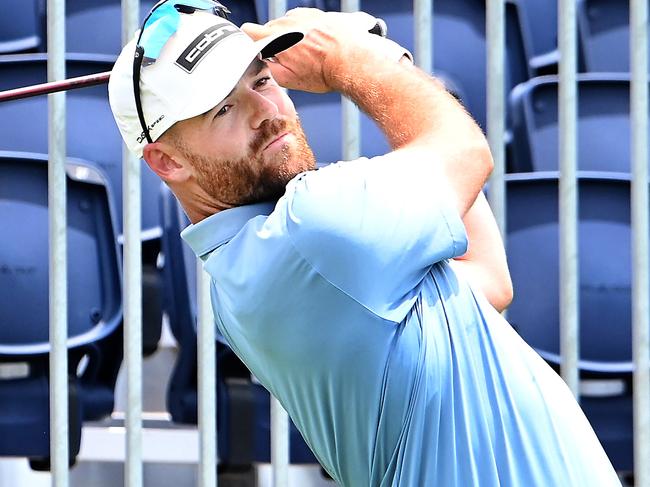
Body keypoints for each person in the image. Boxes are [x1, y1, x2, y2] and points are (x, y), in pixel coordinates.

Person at [109, 3, 621, 485]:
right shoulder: (312, 229)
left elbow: (487, 278)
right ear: (167, 162)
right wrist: (348, 57)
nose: (266, 111)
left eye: (262, 80)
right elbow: (465, 151)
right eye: (223, 109)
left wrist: (381, 58)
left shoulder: (264, 261)